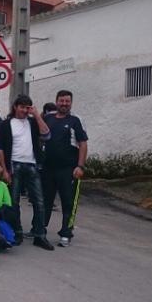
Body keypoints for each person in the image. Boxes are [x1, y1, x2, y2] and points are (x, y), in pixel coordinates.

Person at [0, 94, 54, 250]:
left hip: (32, 165)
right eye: (22, 107)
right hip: (14, 165)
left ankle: (40, 235)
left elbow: (47, 135)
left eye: (27, 107)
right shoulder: (6, 124)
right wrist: (4, 169)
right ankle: (17, 232)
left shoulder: (33, 122)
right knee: (13, 202)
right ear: (15, 107)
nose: (24, 110)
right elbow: (0, 148)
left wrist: (36, 115)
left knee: (39, 201)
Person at [42, 90, 88, 247]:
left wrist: (80, 166)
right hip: (48, 169)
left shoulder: (75, 121)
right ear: (56, 101)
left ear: (71, 103)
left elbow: (83, 143)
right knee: (45, 201)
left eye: (67, 101)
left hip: (68, 169)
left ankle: (66, 233)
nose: (64, 104)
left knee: (68, 202)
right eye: (61, 101)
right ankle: (41, 230)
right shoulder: (48, 118)